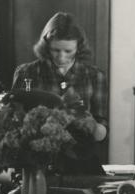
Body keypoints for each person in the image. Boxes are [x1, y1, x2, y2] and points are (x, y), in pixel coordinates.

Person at [11, 12, 108, 174]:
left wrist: (93, 126)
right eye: (56, 50)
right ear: (46, 46)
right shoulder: (26, 73)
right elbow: (13, 123)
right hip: (36, 165)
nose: (61, 57)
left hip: (81, 165)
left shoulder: (95, 76)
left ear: (79, 47)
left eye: (68, 51)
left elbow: (101, 133)